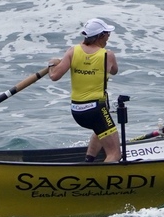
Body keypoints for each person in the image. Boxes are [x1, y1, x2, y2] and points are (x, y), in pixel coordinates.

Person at [46, 18, 121, 162]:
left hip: (77, 111)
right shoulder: (108, 55)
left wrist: (52, 64)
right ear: (100, 36)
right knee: (114, 154)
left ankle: (89, 161)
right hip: (96, 110)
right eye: (107, 34)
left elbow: (54, 76)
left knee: (100, 130)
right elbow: (114, 71)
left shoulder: (72, 51)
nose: (108, 37)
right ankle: (103, 175)